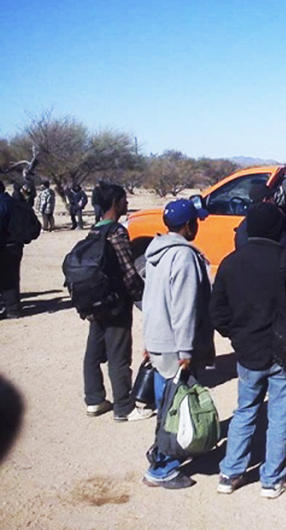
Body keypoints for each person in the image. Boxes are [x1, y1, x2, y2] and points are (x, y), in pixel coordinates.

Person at [210, 202, 286, 498]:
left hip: (248, 351)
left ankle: (230, 474)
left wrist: (236, 335)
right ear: (278, 229)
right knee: (280, 415)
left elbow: (217, 311)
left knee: (245, 411)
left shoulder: (231, 261)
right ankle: (272, 479)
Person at [141, 198, 215, 489]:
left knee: (165, 407)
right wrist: (186, 351)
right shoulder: (184, 257)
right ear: (187, 225)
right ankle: (163, 467)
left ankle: (162, 458)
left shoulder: (155, 252)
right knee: (173, 409)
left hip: (159, 340)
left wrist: (148, 340)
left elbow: (150, 301)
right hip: (176, 346)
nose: (197, 225)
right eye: (195, 221)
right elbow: (184, 308)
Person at [82, 184, 147, 422]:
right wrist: (140, 296)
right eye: (123, 200)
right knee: (119, 354)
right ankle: (124, 407)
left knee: (94, 351)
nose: (126, 204)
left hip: (94, 301)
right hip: (115, 303)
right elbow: (128, 271)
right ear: (115, 203)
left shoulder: (94, 230)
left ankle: (94, 399)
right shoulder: (116, 232)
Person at [0, 181, 24, 319]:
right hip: (16, 244)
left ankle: (10, 308)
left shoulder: (2, 204)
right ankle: (13, 309)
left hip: (4, 245)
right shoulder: (14, 202)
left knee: (5, 278)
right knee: (13, 276)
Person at [234, 183, 278, 250]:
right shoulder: (266, 222)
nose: (275, 200)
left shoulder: (247, 221)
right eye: (272, 197)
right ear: (266, 200)